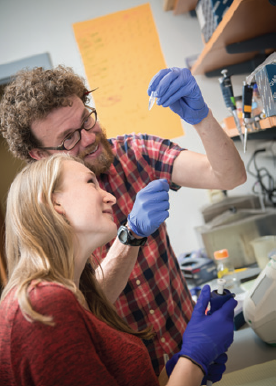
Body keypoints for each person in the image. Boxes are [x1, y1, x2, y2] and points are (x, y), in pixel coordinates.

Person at [0, 65, 246, 375]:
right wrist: (130, 235)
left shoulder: (134, 151)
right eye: (69, 138)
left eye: (87, 119)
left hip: (185, 342)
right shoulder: (42, 225)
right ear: (38, 155)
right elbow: (81, 308)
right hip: (125, 371)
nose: (90, 137)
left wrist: (201, 118)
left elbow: (231, 175)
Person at [0, 153, 237, 386]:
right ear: (54, 202)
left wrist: (173, 374)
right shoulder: (44, 304)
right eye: (91, 182)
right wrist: (194, 361)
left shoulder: (73, 291)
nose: (111, 198)